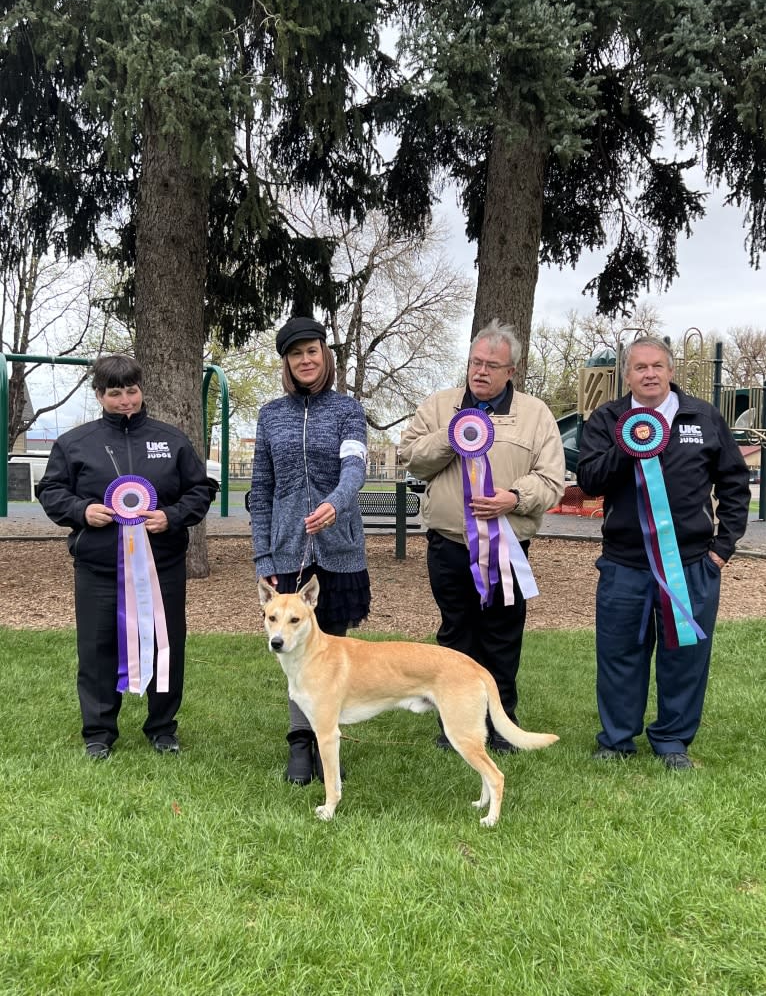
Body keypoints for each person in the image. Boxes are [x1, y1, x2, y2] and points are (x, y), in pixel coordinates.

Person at [577, 336, 751, 769]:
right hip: (624, 565)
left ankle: (673, 740)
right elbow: (589, 480)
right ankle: (616, 739)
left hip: (691, 564)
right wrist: (628, 444)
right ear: (627, 376)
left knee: (685, 655)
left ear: (671, 371)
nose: (649, 374)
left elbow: (733, 483)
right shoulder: (607, 419)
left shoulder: (704, 418)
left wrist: (722, 549)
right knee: (619, 654)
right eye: (639, 367)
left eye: (657, 366)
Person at [398, 319, 565, 751]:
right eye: (476, 362)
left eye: (493, 365)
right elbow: (410, 458)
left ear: (512, 371)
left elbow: (552, 480)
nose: (481, 371)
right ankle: (455, 726)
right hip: (448, 545)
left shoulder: (535, 415)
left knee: (502, 636)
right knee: (456, 636)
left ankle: (502, 722)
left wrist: (514, 497)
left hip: (506, 546)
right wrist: (451, 438)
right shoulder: (439, 405)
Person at [37, 355, 214, 759]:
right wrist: (82, 511)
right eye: (114, 393)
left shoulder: (172, 441)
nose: (125, 400)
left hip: (162, 566)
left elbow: (199, 491)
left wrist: (170, 517)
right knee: (96, 647)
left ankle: (162, 727)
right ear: (99, 395)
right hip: (98, 568)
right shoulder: (75, 443)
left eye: (131, 391)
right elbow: (51, 491)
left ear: (141, 389)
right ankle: (98, 732)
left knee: (167, 646)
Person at [251, 316, 370, 785]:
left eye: (312, 351)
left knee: (329, 653)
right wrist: (264, 554)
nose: (305, 359)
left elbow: (354, 469)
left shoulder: (347, 410)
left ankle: (327, 744)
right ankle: (300, 745)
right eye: (296, 353)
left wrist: (334, 505)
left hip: (339, 550)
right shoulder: (269, 415)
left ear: (326, 356)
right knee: (294, 656)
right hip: (285, 548)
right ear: (287, 361)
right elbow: (260, 489)